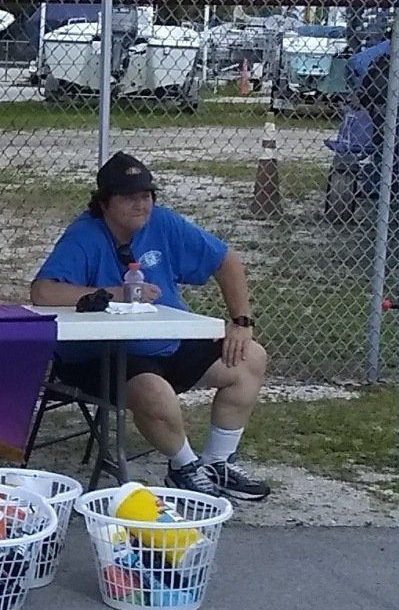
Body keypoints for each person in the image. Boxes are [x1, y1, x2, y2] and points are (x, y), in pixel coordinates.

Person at [29, 150, 271, 501]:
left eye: (147, 196)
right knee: (152, 390)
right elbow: (43, 292)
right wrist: (113, 294)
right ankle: (184, 467)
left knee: (250, 356)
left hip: (166, 343)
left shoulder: (164, 223)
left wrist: (241, 322)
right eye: (129, 197)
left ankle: (217, 462)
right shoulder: (85, 234)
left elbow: (226, 260)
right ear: (105, 203)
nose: (141, 205)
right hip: (100, 356)